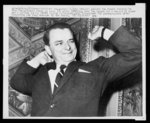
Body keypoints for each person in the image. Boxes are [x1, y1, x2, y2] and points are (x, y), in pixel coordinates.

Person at [10, 22, 142, 116]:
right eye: (59, 43)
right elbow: (17, 82)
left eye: (71, 41)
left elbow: (138, 53)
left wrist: (103, 32)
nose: (67, 47)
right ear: (49, 49)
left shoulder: (97, 69)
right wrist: (36, 60)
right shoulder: (40, 76)